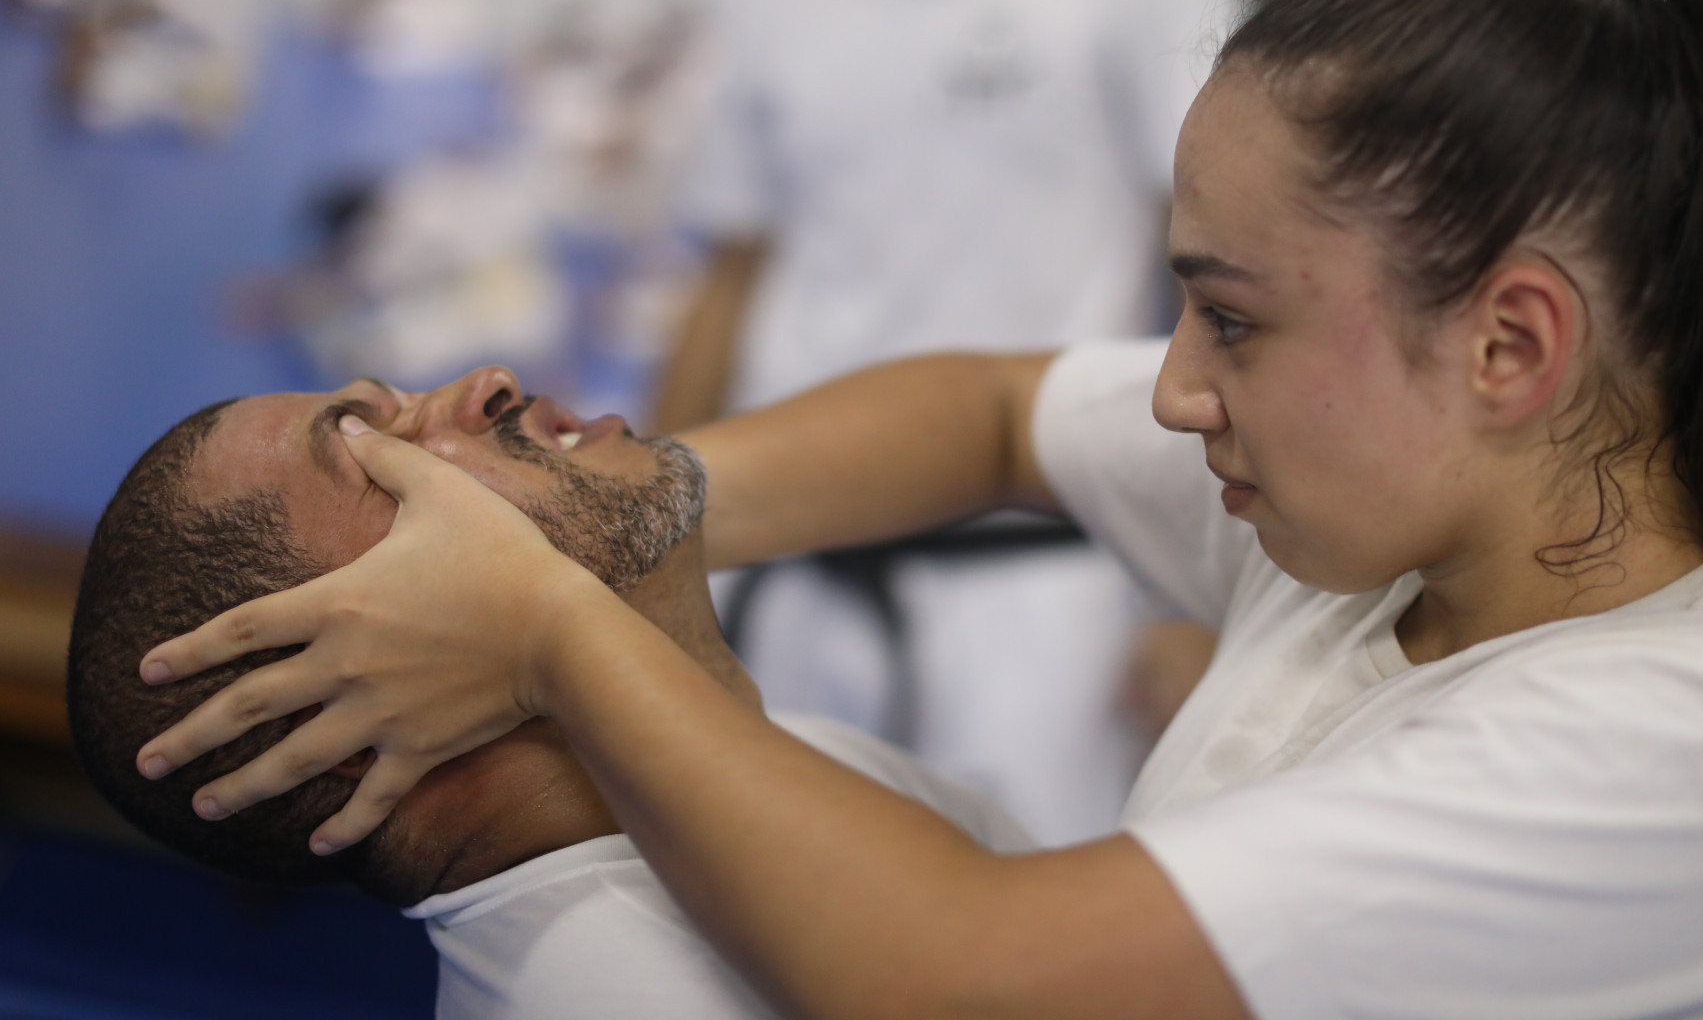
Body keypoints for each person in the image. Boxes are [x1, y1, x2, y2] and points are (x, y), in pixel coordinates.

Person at [139, 0, 1703, 1018]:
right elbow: (992, 414)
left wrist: (547, 608)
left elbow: (956, 973)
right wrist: (610, 507)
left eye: (1232, 318)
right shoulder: (1386, 547)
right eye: (395, 476)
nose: (1174, 391)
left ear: (1511, 346)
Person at [656, 0, 1240, 841]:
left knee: (1017, 919)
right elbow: (733, 269)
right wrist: (643, 524)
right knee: (752, 897)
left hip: (1031, 588)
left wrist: (1200, 593)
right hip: (789, 562)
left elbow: (1229, 257)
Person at [67, 369, 1029, 1020]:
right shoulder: (623, 996)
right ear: (340, 704)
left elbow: (1005, 420)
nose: (489, 382)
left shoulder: (726, 775)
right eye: (377, 450)